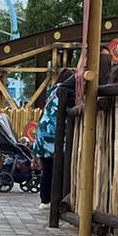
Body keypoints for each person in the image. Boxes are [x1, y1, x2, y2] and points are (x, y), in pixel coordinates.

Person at [35, 68, 74, 210]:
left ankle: (44, 200)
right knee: (60, 168)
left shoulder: (51, 91)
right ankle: (56, 199)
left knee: (47, 169)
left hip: (43, 132)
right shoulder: (67, 92)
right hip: (56, 133)